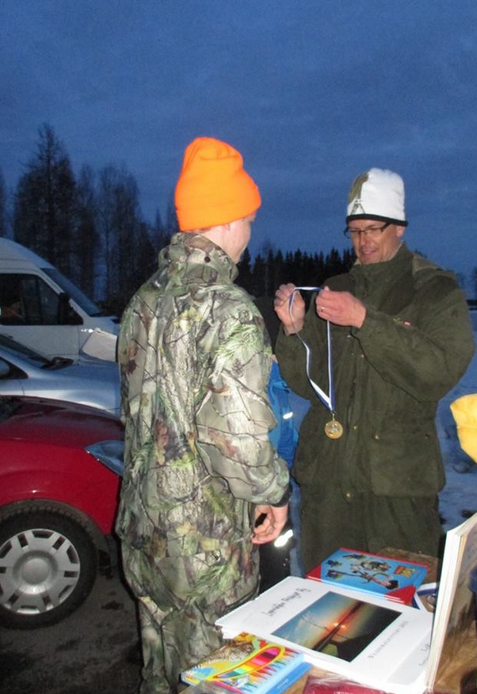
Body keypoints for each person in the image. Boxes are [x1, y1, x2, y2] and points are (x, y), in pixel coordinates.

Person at [116, 137, 290, 694]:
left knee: (160, 672)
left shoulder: (142, 301)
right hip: (204, 549)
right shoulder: (229, 309)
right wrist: (274, 492)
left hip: (143, 532)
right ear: (229, 218)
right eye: (249, 219)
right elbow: (238, 442)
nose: (250, 233)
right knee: (214, 679)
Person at [274, 167, 475, 572]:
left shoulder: (435, 290)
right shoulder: (336, 287)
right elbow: (308, 384)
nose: (362, 241)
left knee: (398, 601)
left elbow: (438, 372)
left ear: (399, 227)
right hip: (329, 489)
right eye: (354, 231)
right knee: (329, 603)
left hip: (396, 491)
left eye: (373, 229)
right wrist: (293, 329)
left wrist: (365, 321)